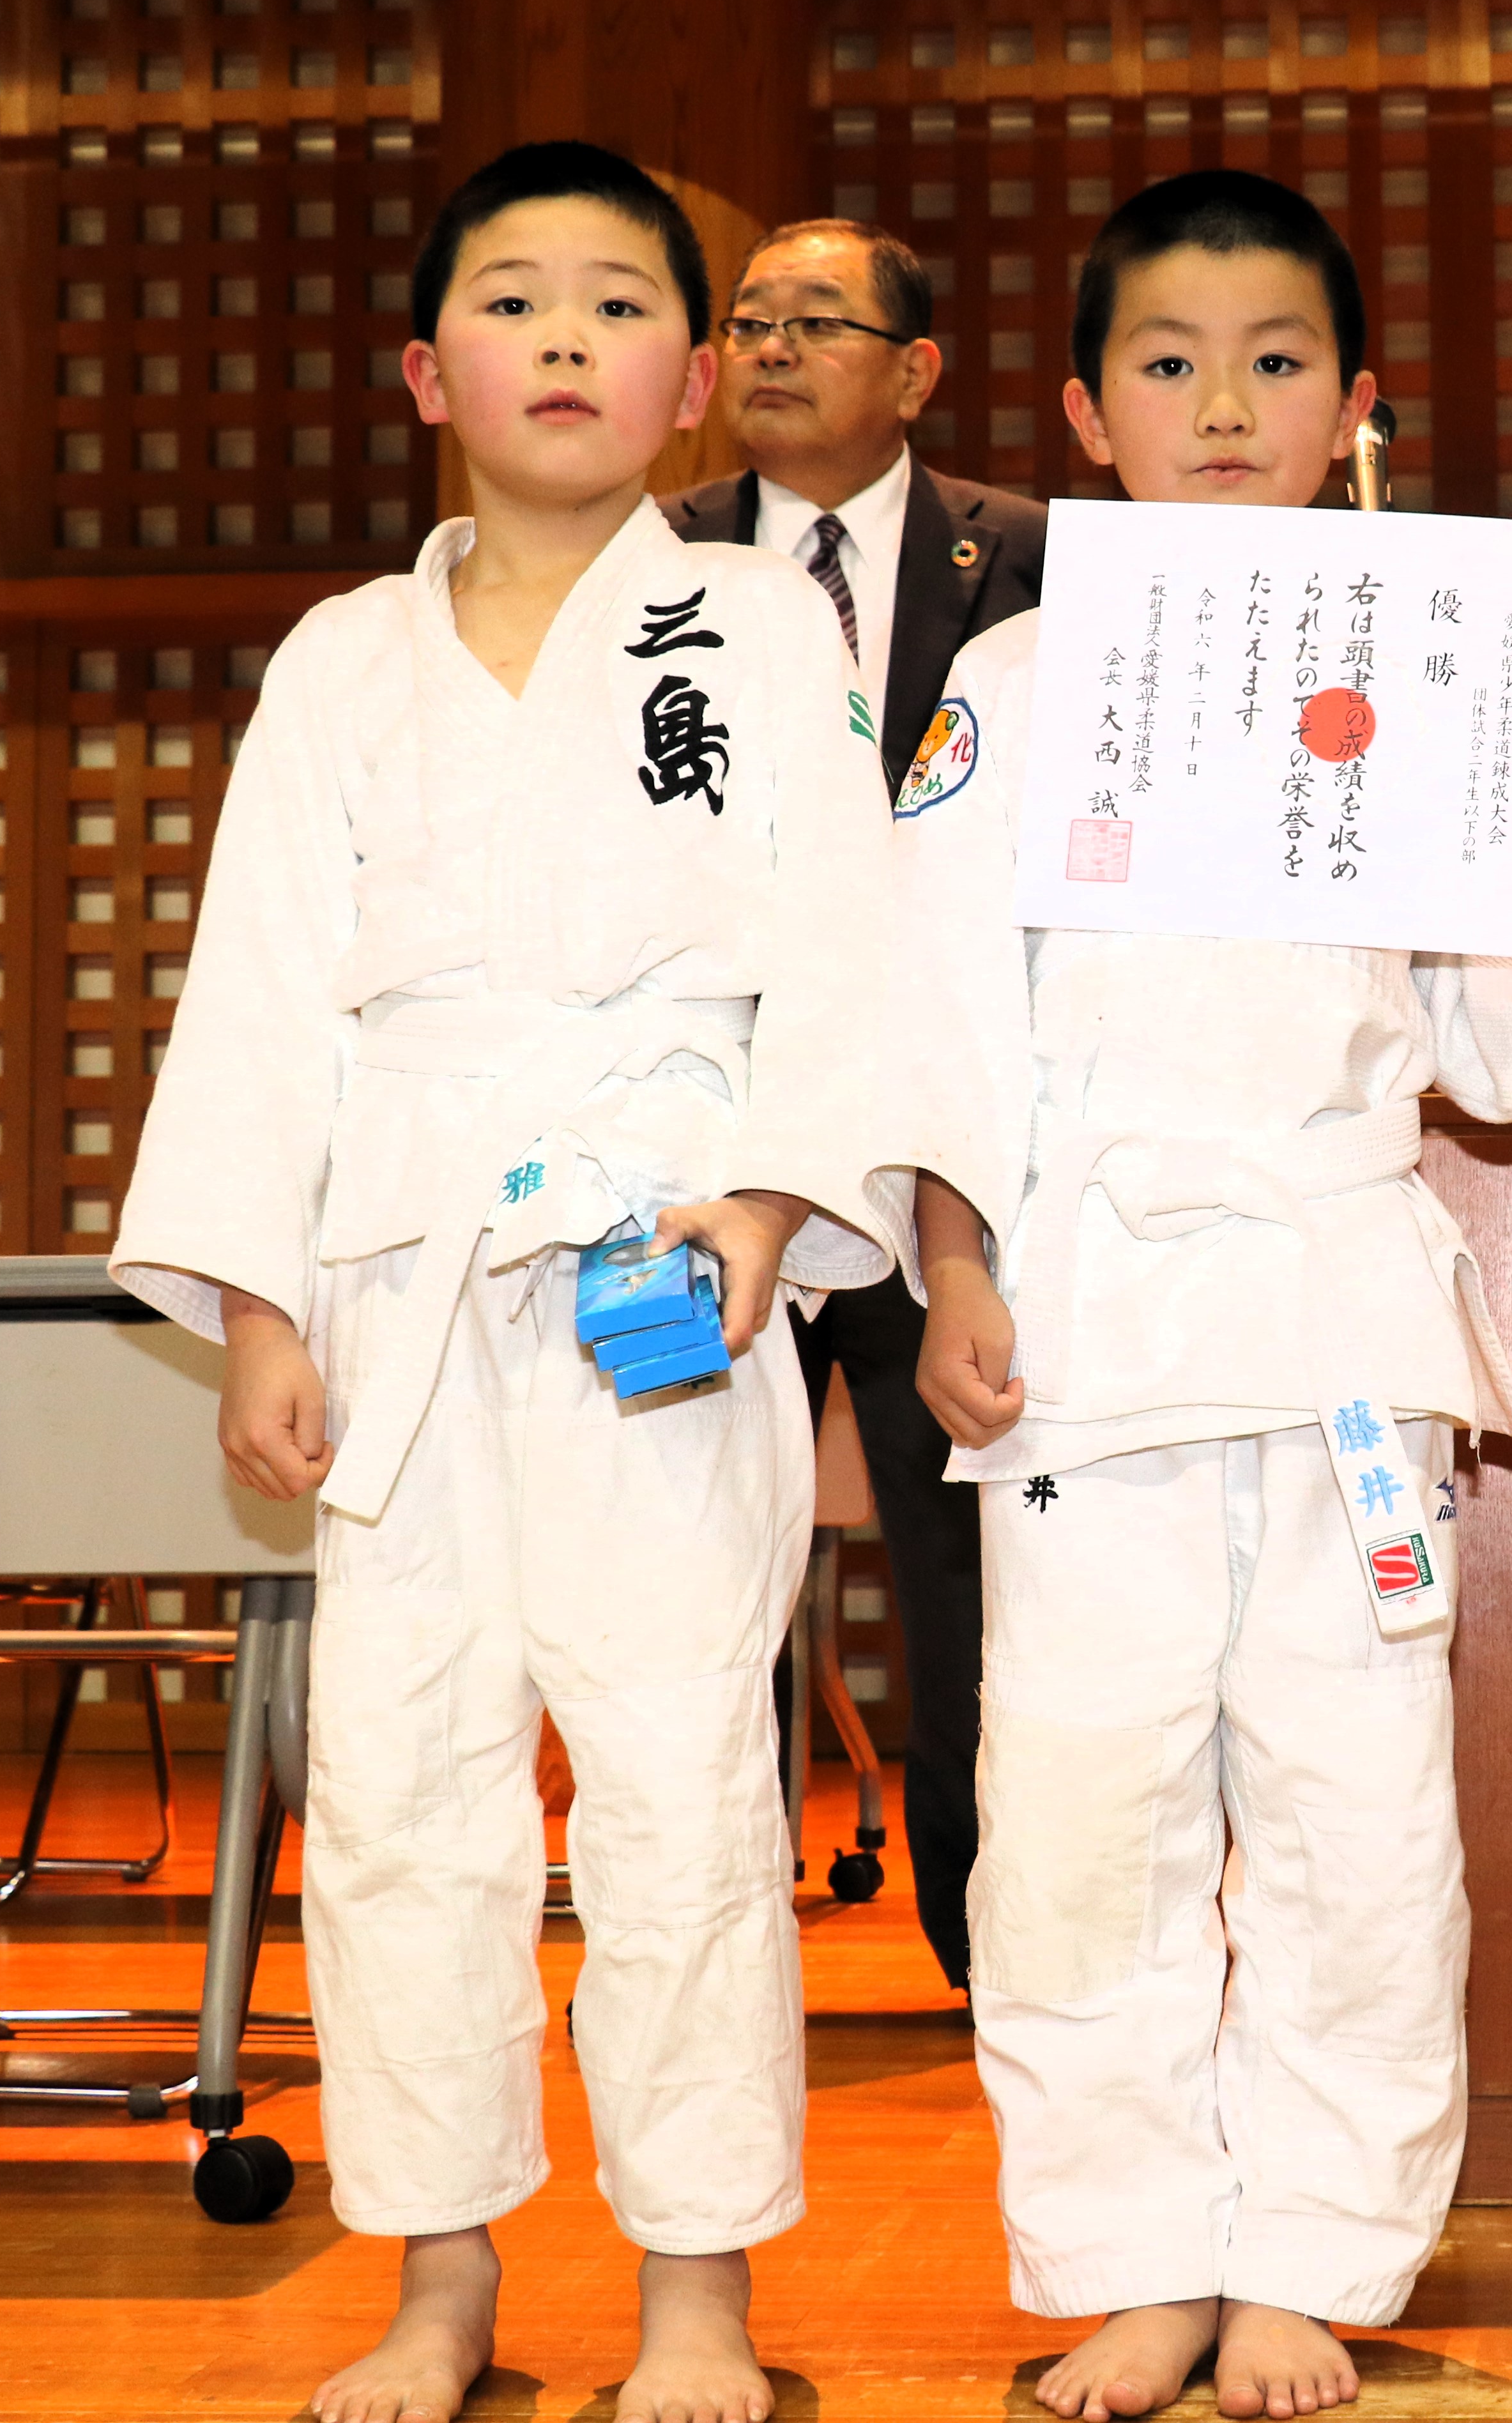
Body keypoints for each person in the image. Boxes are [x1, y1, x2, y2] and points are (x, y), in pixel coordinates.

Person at [111, 141, 959, 2423]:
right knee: (398, 1795)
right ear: (423, 371)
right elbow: (262, 995)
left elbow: (844, 952)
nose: (567, 339)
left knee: (684, 1776)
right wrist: (263, 1311)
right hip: (396, 1281)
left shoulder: (760, 627)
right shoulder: (340, 660)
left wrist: (774, 1215)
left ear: (698, 383)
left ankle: (698, 2297)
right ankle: (442, 2275)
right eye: (514, 298)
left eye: (617, 305)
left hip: (660, 1265)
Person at [896, 170, 1512, 2422]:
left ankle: (1318, 2260)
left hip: (1345, 1322)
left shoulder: (1437, 664)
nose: (1223, 404)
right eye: (1169, 362)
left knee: (1357, 1815)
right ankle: (1129, 2253)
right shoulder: (1015, 680)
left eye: (1275, 364)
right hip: (1086, 1323)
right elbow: (941, 1012)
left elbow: (1511, 1046)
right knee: (1078, 1810)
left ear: (1357, 406)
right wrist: (951, 1257)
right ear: (1083, 413)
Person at [669, 217, 1048, 1992]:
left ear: (915, 372)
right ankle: (709, 1951)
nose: (770, 349)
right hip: (730, 1148)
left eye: (817, 323)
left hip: (949, 1147)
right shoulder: (648, 571)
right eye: (747, 322)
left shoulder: (1038, 564)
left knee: (971, 1567)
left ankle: (992, 1945)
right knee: (702, 1564)